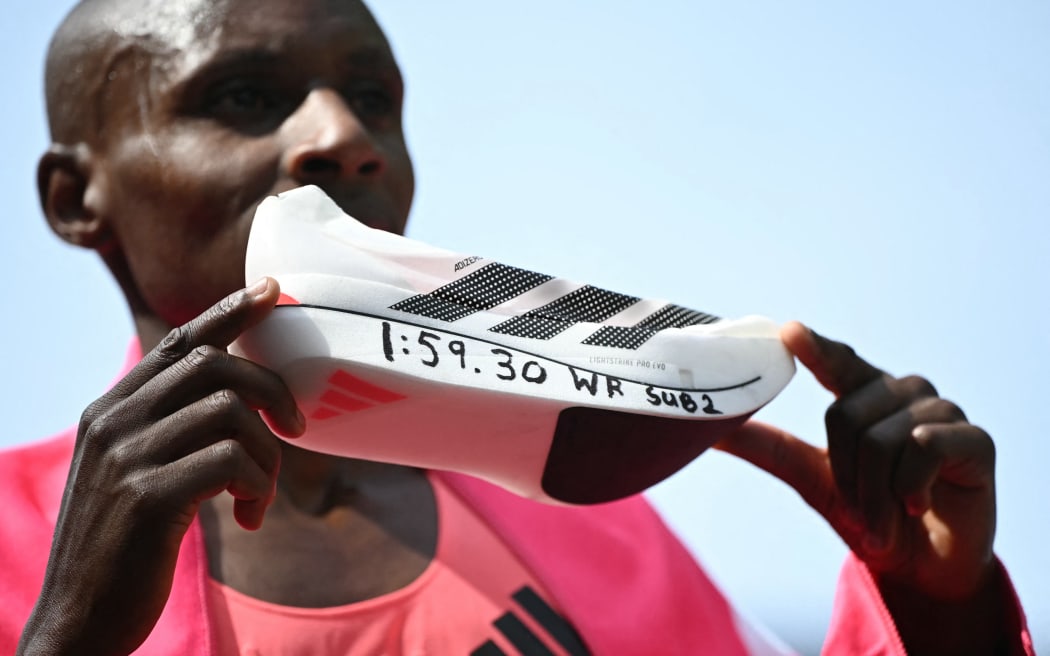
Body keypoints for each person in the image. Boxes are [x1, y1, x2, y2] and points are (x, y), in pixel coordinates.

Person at [0, 0, 1032, 654]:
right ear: (74, 198)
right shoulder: (17, 548)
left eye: (372, 96)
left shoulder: (577, 493)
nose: (344, 135)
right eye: (242, 97)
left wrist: (938, 608)